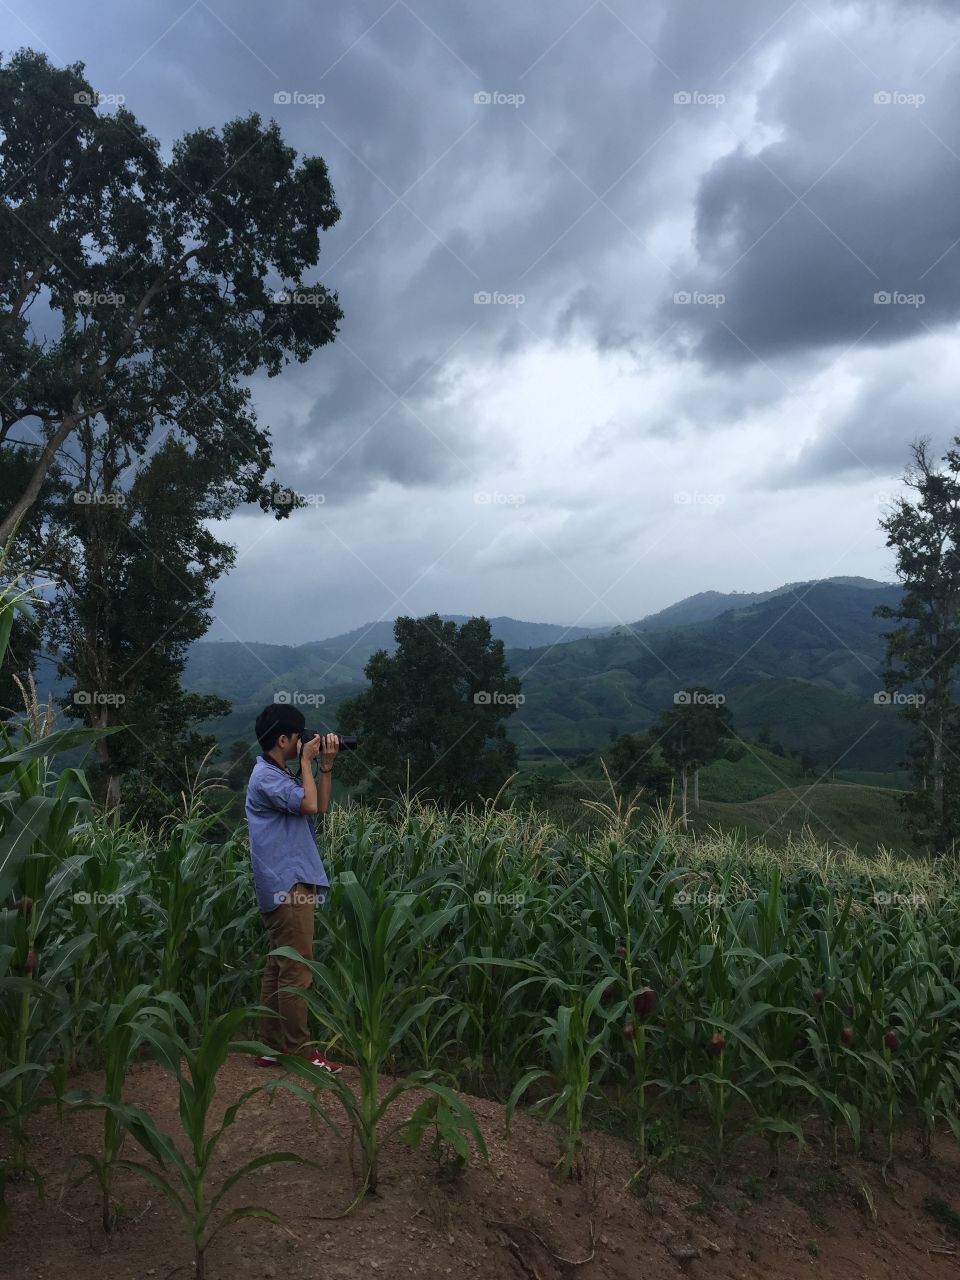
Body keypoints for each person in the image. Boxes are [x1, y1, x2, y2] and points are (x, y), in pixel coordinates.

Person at [245, 702, 342, 1072]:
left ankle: (271, 1046)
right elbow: (308, 804)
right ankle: (300, 1052)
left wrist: (325, 766)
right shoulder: (265, 778)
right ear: (282, 739)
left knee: (279, 966)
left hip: (290, 880)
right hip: (287, 885)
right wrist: (306, 763)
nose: (304, 742)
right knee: (297, 968)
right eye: (298, 737)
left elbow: (318, 806)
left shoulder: (279, 773)